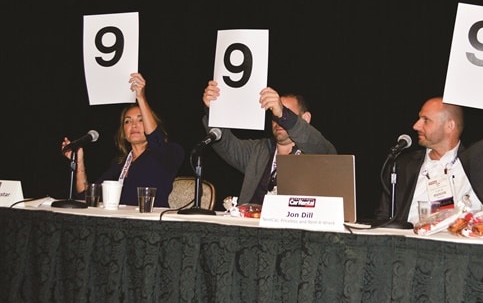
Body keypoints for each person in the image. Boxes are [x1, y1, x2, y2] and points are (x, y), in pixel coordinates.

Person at [374, 42, 483, 225]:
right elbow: (383, 218)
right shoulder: (402, 166)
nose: (415, 126)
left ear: (450, 126)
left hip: (465, 247)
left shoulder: (480, 160)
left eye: (425, 120)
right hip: (410, 247)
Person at [201, 81, 337, 205]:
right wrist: (214, 110)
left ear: (305, 118)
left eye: (285, 114)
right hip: (250, 227)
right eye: (275, 114)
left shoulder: (315, 151)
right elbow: (226, 145)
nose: (278, 120)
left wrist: (283, 114)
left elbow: (323, 149)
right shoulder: (259, 150)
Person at [61, 73, 185, 207]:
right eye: (127, 121)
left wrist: (141, 98)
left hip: (151, 223)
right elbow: (86, 196)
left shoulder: (170, 153)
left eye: (141, 119)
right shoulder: (119, 165)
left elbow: (156, 141)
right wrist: (78, 160)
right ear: (123, 132)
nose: (134, 125)